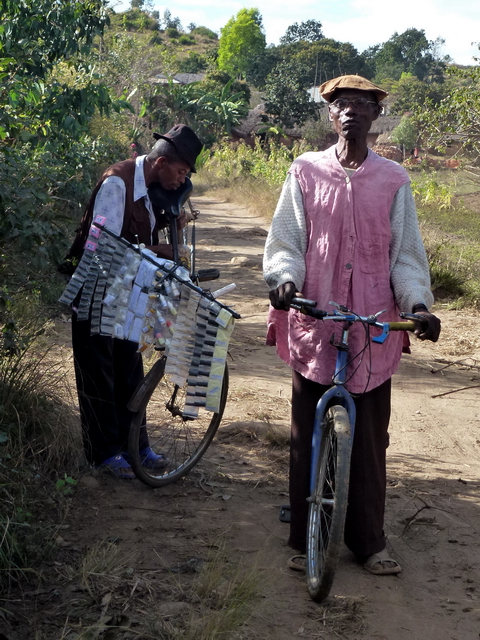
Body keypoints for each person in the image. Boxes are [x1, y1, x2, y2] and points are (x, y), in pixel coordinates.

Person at [263, 75, 441, 575]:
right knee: (307, 434)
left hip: (372, 327)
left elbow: (404, 254)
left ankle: (368, 541)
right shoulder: (305, 171)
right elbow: (286, 241)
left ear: (375, 117)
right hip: (316, 320)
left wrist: (418, 305)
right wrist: (283, 280)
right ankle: (306, 539)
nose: (351, 113)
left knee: (368, 442)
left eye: (362, 106)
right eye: (342, 105)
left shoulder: (393, 180)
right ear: (330, 114)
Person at [70, 124, 203, 479]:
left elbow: (157, 231)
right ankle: (105, 455)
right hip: (96, 294)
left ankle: (137, 447)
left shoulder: (154, 190)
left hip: (126, 297)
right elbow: (102, 248)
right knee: (100, 375)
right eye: (180, 172)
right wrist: (156, 250)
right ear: (160, 163)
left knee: (131, 372)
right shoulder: (118, 183)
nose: (181, 179)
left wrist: (174, 221)